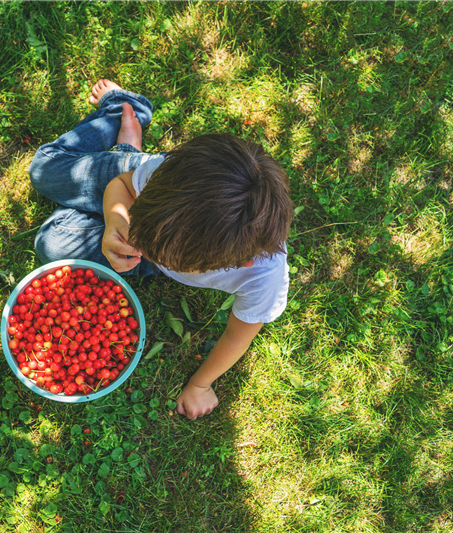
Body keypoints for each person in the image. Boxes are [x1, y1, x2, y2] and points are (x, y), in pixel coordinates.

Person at [29, 80, 293, 420]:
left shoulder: (264, 279)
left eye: (162, 256)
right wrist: (115, 220)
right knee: (43, 169)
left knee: (50, 242)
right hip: (130, 186)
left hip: (147, 212)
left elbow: (236, 338)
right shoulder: (166, 177)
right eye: (151, 247)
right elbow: (122, 186)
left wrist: (200, 384)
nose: (148, 250)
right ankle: (122, 114)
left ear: (236, 263)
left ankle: (118, 160)